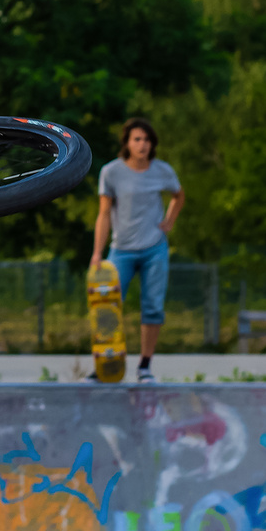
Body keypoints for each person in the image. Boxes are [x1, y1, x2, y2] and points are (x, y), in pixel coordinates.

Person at [90, 118, 185, 383]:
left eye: (146, 140)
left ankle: (145, 366)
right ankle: (106, 362)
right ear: (127, 143)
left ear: (152, 144)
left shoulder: (162, 171)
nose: (142, 145)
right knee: (107, 306)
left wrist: (169, 221)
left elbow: (179, 195)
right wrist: (98, 253)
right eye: (137, 139)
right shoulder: (111, 172)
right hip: (121, 250)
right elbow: (104, 213)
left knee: (153, 307)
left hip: (154, 249)